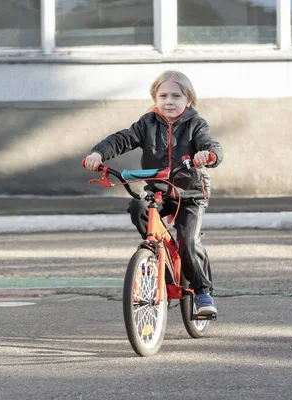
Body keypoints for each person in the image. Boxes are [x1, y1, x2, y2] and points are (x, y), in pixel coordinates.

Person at [83, 70, 223, 315]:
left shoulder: (195, 124)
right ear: (155, 99)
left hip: (189, 193)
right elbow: (122, 139)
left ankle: (202, 292)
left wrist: (208, 155)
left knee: (187, 240)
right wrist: (99, 153)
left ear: (188, 100)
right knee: (137, 207)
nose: (169, 101)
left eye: (176, 96)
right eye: (163, 95)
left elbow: (210, 144)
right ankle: (157, 254)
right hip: (159, 190)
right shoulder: (147, 123)